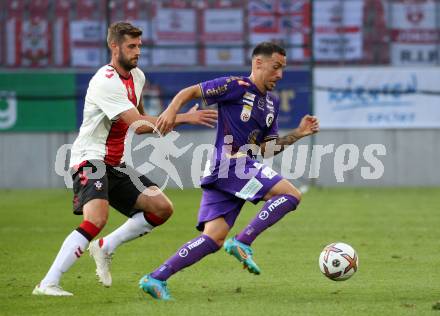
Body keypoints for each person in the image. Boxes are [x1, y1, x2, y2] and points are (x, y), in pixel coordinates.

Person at [32, 22, 217, 296]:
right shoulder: (105, 81)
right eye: (131, 46)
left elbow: (143, 125)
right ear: (114, 46)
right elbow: (138, 123)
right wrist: (184, 118)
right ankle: (48, 283)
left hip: (115, 164)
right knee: (96, 218)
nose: (137, 52)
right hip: (90, 159)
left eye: (139, 46)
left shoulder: (138, 77)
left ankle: (106, 247)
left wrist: (174, 119)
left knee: (161, 208)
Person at [138, 42, 320, 300]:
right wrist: (170, 110)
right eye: (276, 67)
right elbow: (190, 92)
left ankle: (156, 278)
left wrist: (298, 134)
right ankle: (244, 241)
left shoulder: (271, 105)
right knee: (291, 195)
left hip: (232, 170)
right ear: (258, 63)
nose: (280, 74)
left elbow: (267, 150)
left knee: (213, 239)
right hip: (230, 165)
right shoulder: (235, 86)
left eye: (283, 69)